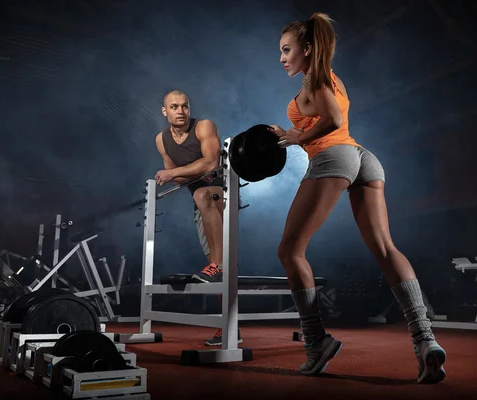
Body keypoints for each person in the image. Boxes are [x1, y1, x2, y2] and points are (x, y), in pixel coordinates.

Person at [267, 13, 446, 382]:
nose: (282, 58)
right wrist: (294, 133)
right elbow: (331, 117)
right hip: (365, 158)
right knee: (386, 249)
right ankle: (425, 340)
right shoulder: (331, 77)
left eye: (287, 50)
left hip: (336, 157)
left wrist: (297, 136)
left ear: (308, 49)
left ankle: (316, 342)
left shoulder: (313, 80)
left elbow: (330, 120)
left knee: (290, 251)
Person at [154, 89, 242, 346]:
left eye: (184, 106)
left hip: (221, 192)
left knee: (204, 196)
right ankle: (229, 326)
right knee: (219, 266)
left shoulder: (204, 126)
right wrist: (181, 173)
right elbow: (178, 178)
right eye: (174, 107)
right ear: (164, 111)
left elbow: (211, 163)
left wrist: (179, 173)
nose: (180, 111)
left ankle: (217, 266)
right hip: (200, 200)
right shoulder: (161, 140)